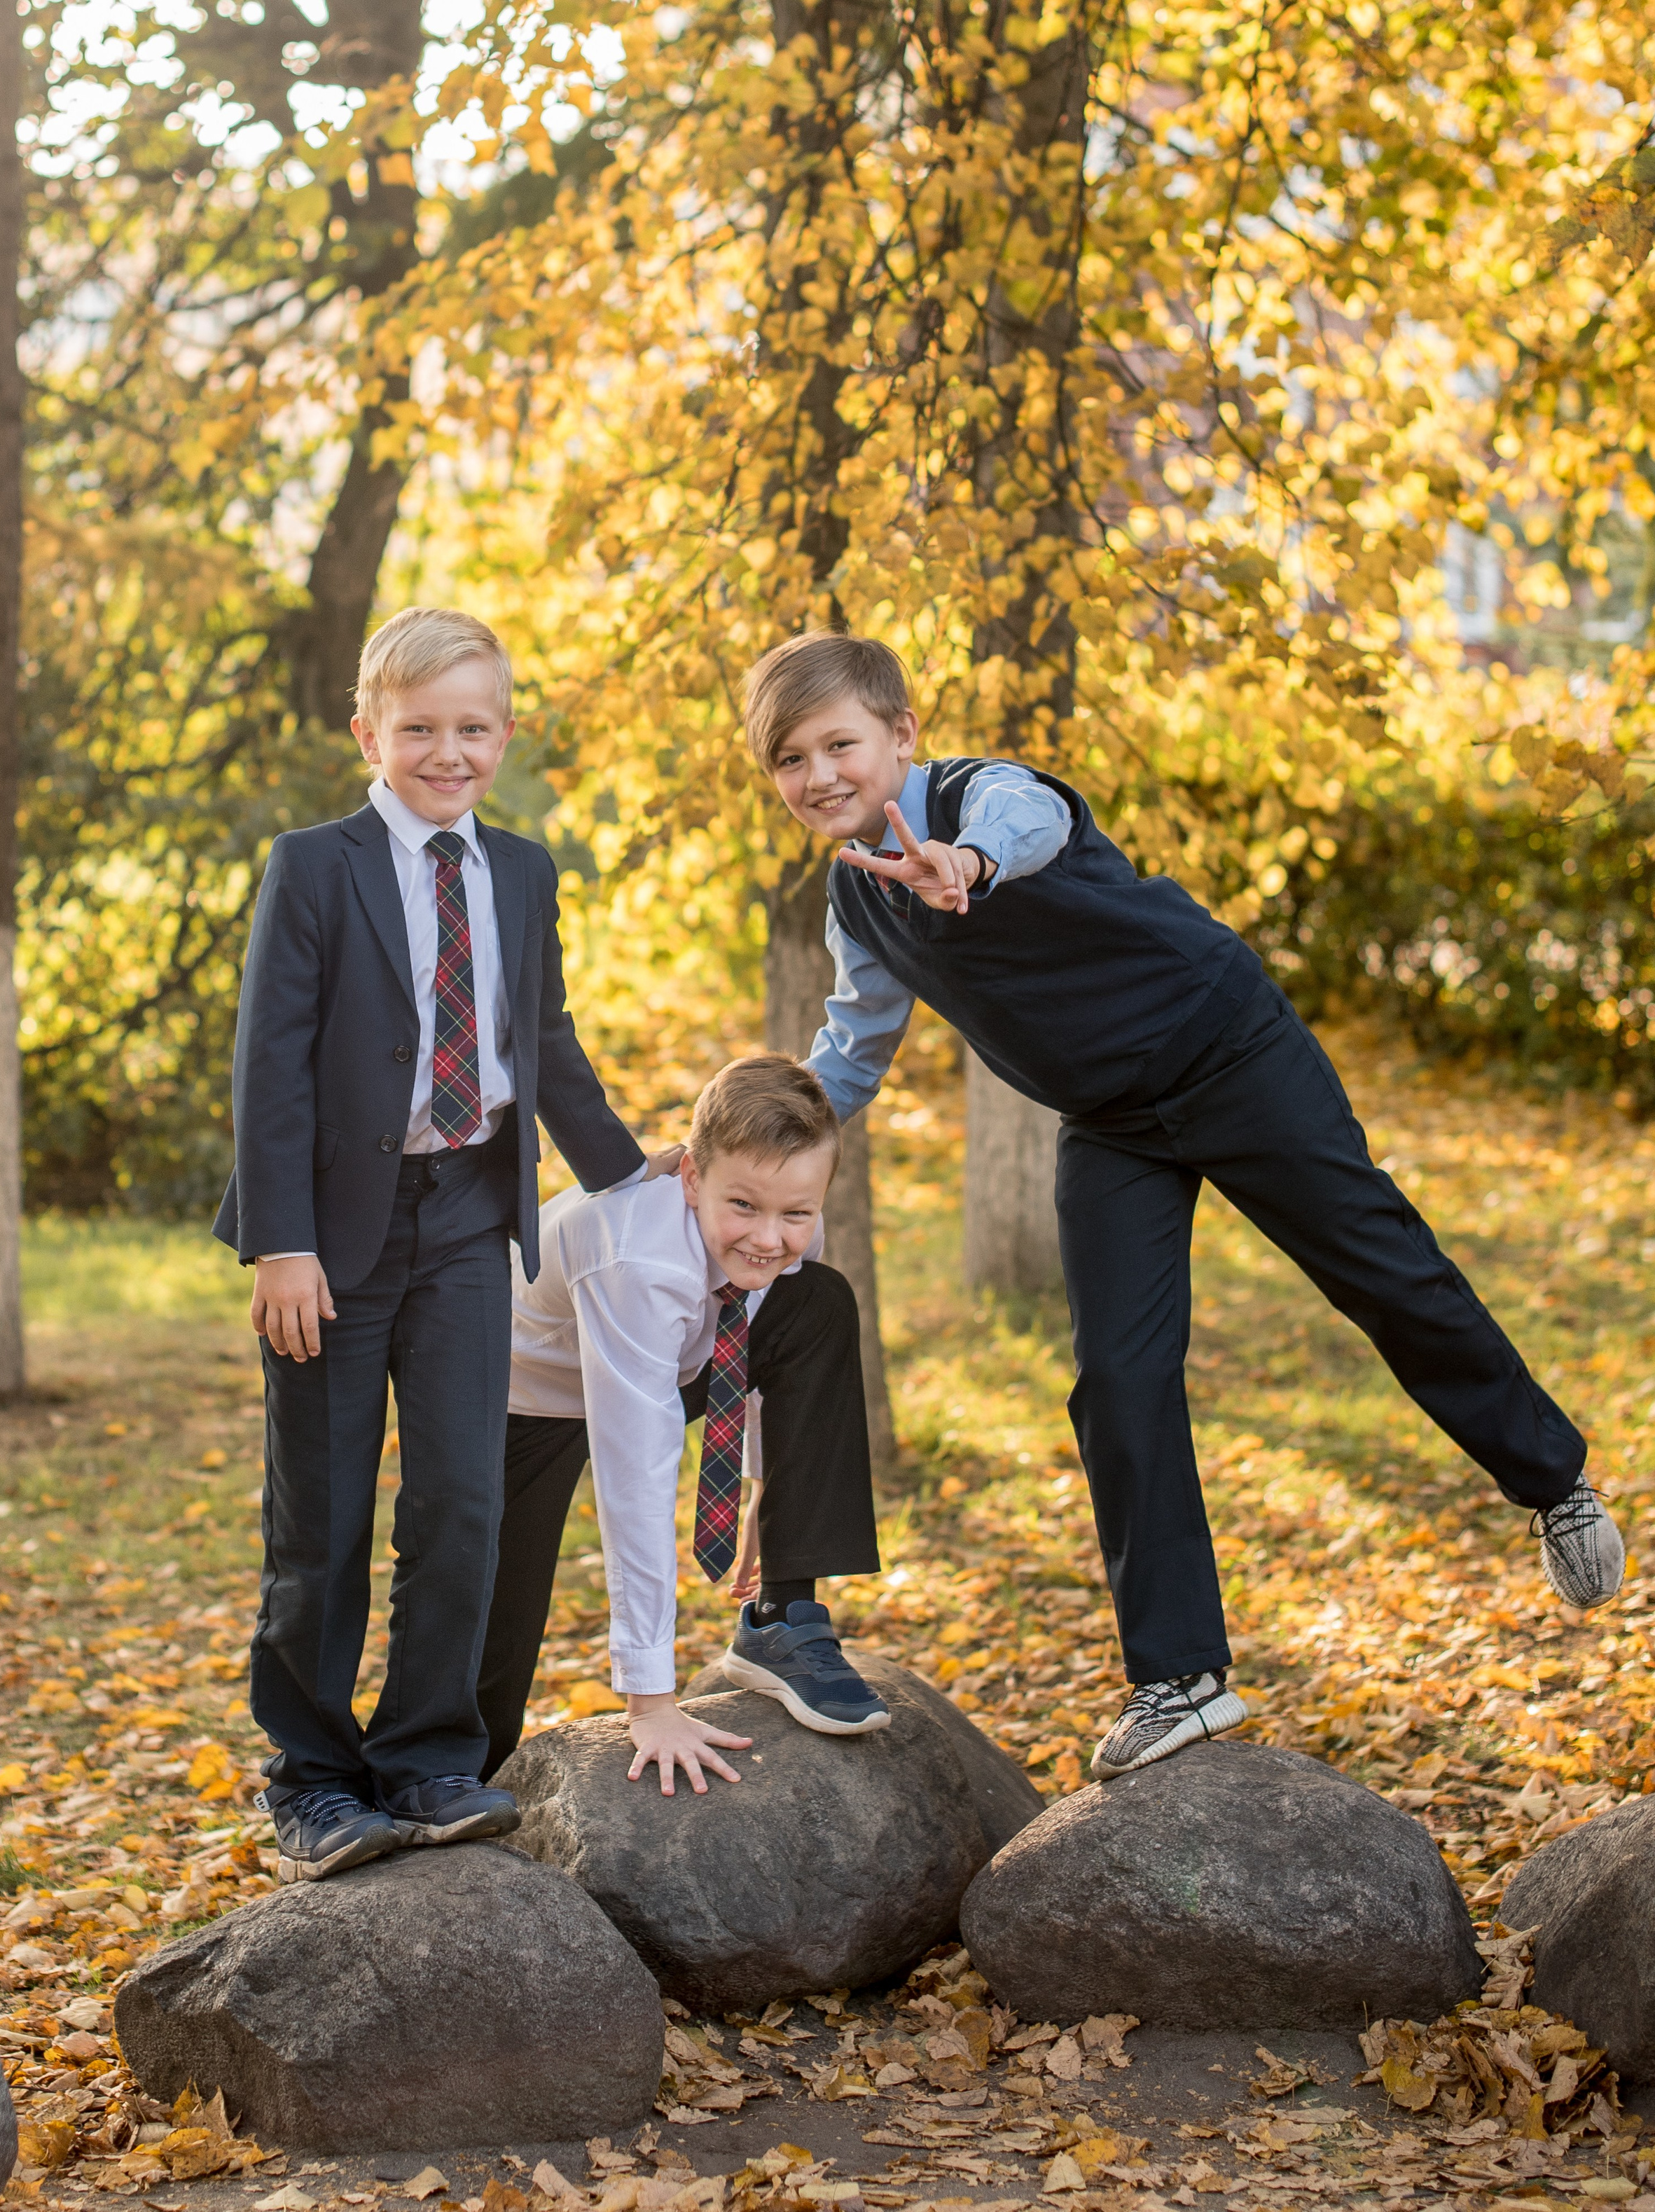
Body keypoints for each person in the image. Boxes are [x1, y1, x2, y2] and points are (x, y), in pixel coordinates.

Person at [738, 629, 1626, 1780]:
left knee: (1385, 1270)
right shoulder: (857, 907)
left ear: (902, 734)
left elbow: (1029, 825)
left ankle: (1550, 1477)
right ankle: (1182, 1675)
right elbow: (850, 1055)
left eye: (840, 743)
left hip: (1227, 1046)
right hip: (1111, 1122)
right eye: (791, 759)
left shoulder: (984, 797)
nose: (819, 775)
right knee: (1117, 1373)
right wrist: (751, 1158)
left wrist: (967, 863)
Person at [214, 605, 670, 1883]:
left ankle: (426, 1757)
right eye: (420, 728)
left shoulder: (521, 872)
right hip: (335, 1240)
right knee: (324, 1518)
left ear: (506, 733)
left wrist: (639, 1182)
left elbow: (548, 1047)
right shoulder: (316, 865)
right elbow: (271, 1071)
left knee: (464, 1501)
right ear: (370, 731)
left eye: (473, 727)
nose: (448, 751)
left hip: (473, 1216)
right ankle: (313, 1777)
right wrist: (280, 1245)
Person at [477, 1052, 888, 1796]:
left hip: (674, 1358)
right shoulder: (640, 1257)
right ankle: (448, 1785)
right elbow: (636, 1473)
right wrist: (652, 1702)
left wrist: (771, 1484)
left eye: (796, 1211)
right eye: (745, 1206)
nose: (770, 1236)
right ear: (691, 1176)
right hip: (521, 1394)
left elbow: (769, 1342)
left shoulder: (784, 1233)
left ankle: (784, 1620)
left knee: (820, 1300)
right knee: (493, 1642)